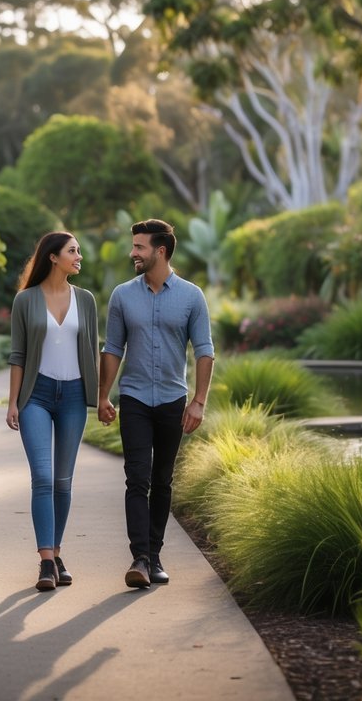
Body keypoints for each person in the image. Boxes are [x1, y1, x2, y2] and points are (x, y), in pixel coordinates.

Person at [98, 218, 214, 589]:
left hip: (171, 399)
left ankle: (156, 555)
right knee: (137, 478)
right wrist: (102, 396)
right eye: (133, 246)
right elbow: (113, 348)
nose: (133, 252)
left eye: (139, 247)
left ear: (160, 251)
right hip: (133, 397)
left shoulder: (192, 296)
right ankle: (140, 557)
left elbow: (205, 352)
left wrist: (198, 402)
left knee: (163, 480)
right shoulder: (122, 295)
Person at [7, 231, 100, 591]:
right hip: (37, 396)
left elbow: (92, 353)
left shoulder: (86, 300)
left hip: (74, 396)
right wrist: (14, 401)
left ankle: (57, 552)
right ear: (53, 257)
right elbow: (18, 355)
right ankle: (46, 561)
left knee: (63, 481)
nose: (79, 256)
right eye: (73, 251)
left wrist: (100, 396)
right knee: (43, 478)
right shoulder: (26, 301)